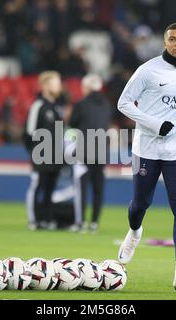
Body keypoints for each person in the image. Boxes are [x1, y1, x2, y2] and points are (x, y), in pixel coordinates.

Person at [116, 23, 176, 292]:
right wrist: (155, 124)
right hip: (147, 148)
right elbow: (123, 103)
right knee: (140, 204)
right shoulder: (148, 70)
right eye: (172, 39)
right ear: (164, 42)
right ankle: (134, 232)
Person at [69, 74, 112, 233]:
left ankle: (80, 222)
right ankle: (94, 223)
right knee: (98, 189)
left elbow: (72, 123)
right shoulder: (106, 104)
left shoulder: (81, 104)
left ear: (86, 87)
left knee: (81, 188)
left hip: (84, 150)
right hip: (101, 150)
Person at [24, 71, 64, 231]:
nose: (59, 87)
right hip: (41, 155)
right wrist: (35, 153)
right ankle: (33, 220)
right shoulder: (38, 106)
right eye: (56, 83)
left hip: (55, 156)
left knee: (49, 189)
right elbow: (29, 132)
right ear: (46, 86)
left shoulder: (56, 108)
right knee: (37, 187)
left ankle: (47, 220)